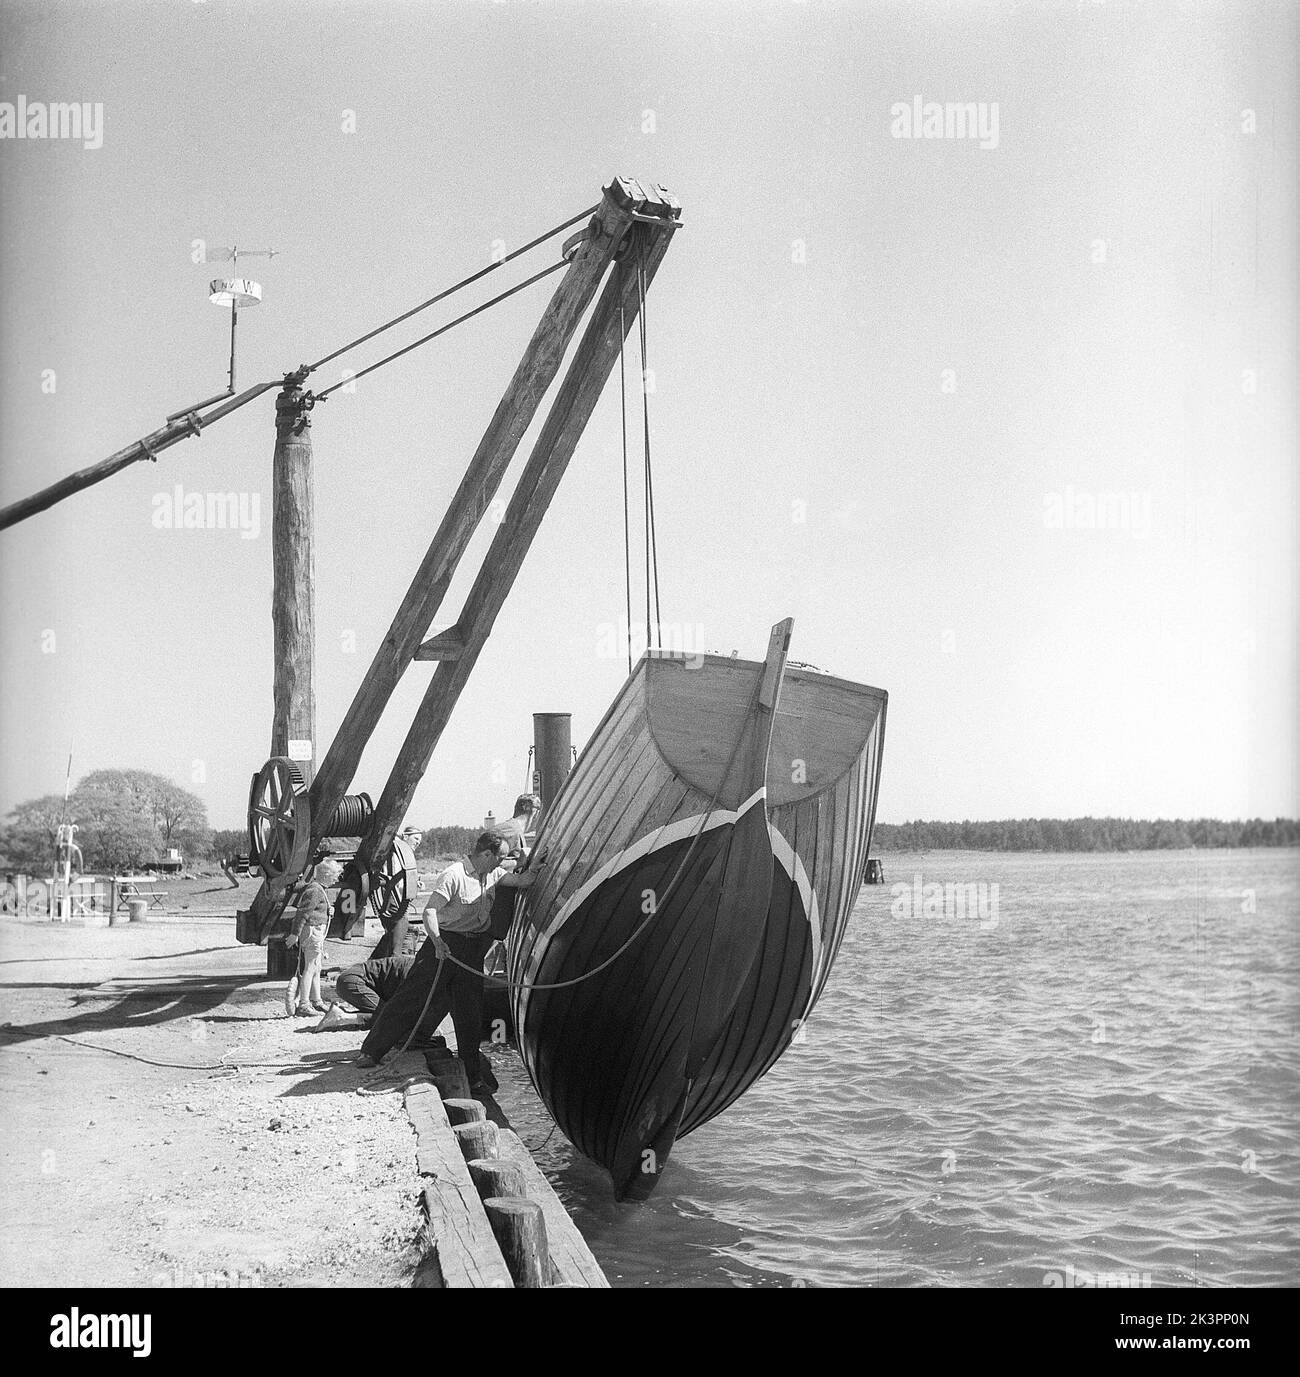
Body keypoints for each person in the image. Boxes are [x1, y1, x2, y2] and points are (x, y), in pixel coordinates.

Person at [354, 833, 533, 1089]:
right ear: (485, 854)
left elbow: (522, 880)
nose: (502, 862)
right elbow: (430, 911)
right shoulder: (454, 875)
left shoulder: (493, 874)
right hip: (443, 944)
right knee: (411, 997)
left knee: (470, 1011)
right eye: (500, 857)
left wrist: (534, 866)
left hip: (471, 948)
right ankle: (371, 1051)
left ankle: (473, 1075)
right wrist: (437, 942)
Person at [284, 859, 340, 1017]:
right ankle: (304, 1004)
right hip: (313, 931)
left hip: (316, 931)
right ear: (326, 875)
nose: (336, 879)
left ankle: (316, 1001)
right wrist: (295, 934)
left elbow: (311, 910)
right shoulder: (315, 890)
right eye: (335, 875)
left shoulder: (318, 889)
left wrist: (328, 910)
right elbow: (302, 913)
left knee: (316, 967)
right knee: (310, 967)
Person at [486, 793, 541, 939]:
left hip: (497, 907)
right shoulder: (510, 830)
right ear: (528, 808)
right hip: (492, 909)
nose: (539, 815)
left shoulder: (515, 831)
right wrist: (519, 862)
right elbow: (484, 865)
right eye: (538, 809)